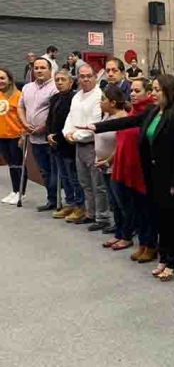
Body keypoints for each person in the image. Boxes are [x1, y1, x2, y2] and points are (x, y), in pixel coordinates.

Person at [89, 75, 174, 281]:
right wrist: (97, 127)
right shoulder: (153, 112)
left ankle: (172, 261)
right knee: (159, 220)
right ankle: (163, 259)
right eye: (151, 89)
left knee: (171, 223)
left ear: (168, 92)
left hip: (170, 180)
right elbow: (129, 120)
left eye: (156, 90)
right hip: (152, 176)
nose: (152, 93)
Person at [110, 77, 158, 264]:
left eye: (138, 91)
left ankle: (151, 245)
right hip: (126, 169)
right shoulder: (131, 112)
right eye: (132, 90)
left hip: (142, 171)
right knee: (136, 210)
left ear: (148, 93)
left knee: (147, 211)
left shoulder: (150, 113)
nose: (132, 94)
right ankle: (143, 244)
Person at [62, 64, 110, 230]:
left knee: (98, 185)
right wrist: (66, 132)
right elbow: (70, 117)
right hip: (78, 146)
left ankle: (102, 217)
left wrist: (73, 136)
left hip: (93, 145)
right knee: (85, 183)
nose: (85, 79)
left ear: (95, 77)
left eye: (89, 75)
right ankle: (90, 213)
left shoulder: (99, 96)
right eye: (82, 76)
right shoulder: (77, 96)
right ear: (78, 78)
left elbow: (94, 125)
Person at [17, 57, 58, 211]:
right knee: (44, 171)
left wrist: (44, 127)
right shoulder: (27, 87)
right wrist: (24, 124)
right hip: (33, 138)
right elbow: (20, 107)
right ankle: (52, 199)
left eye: (43, 68)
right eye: (36, 68)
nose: (39, 70)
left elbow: (56, 113)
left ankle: (64, 200)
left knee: (56, 172)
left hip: (50, 138)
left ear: (50, 70)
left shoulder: (55, 87)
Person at [46, 69, 85, 220]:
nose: (59, 82)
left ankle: (80, 206)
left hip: (68, 143)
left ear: (71, 81)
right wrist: (49, 134)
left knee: (73, 177)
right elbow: (49, 119)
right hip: (55, 144)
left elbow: (71, 122)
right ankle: (69, 203)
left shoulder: (74, 98)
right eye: (57, 80)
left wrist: (58, 136)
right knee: (63, 176)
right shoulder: (55, 98)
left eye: (63, 79)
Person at [95, 86, 129, 248]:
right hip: (105, 166)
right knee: (114, 202)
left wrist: (108, 160)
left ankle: (126, 235)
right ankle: (119, 232)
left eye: (103, 99)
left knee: (122, 203)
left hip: (116, 166)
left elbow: (121, 145)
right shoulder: (107, 115)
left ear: (113, 102)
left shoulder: (123, 118)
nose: (100, 102)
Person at [0, 68, 26, 205]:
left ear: (9, 80)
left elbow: (23, 117)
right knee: (11, 165)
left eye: (3, 78)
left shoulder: (18, 95)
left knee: (18, 165)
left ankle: (21, 192)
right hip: (2, 136)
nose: (0, 81)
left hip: (15, 135)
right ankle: (14, 190)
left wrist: (23, 135)